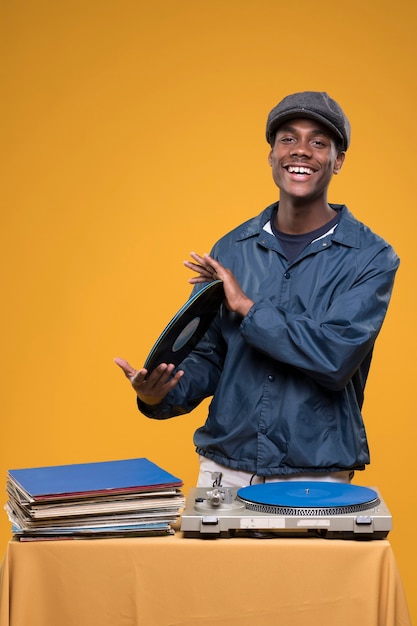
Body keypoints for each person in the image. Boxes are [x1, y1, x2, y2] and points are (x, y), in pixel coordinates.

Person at [115, 91, 399, 488]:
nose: (301, 151)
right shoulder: (231, 249)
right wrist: (160, 392)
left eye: (318, 142)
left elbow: (334, 359)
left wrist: (249, 307)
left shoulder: (371, 257)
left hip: (315, 477)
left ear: (338, 161)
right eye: (288, 138)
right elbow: (211, 357)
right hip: (223, 471)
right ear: (271, 155)